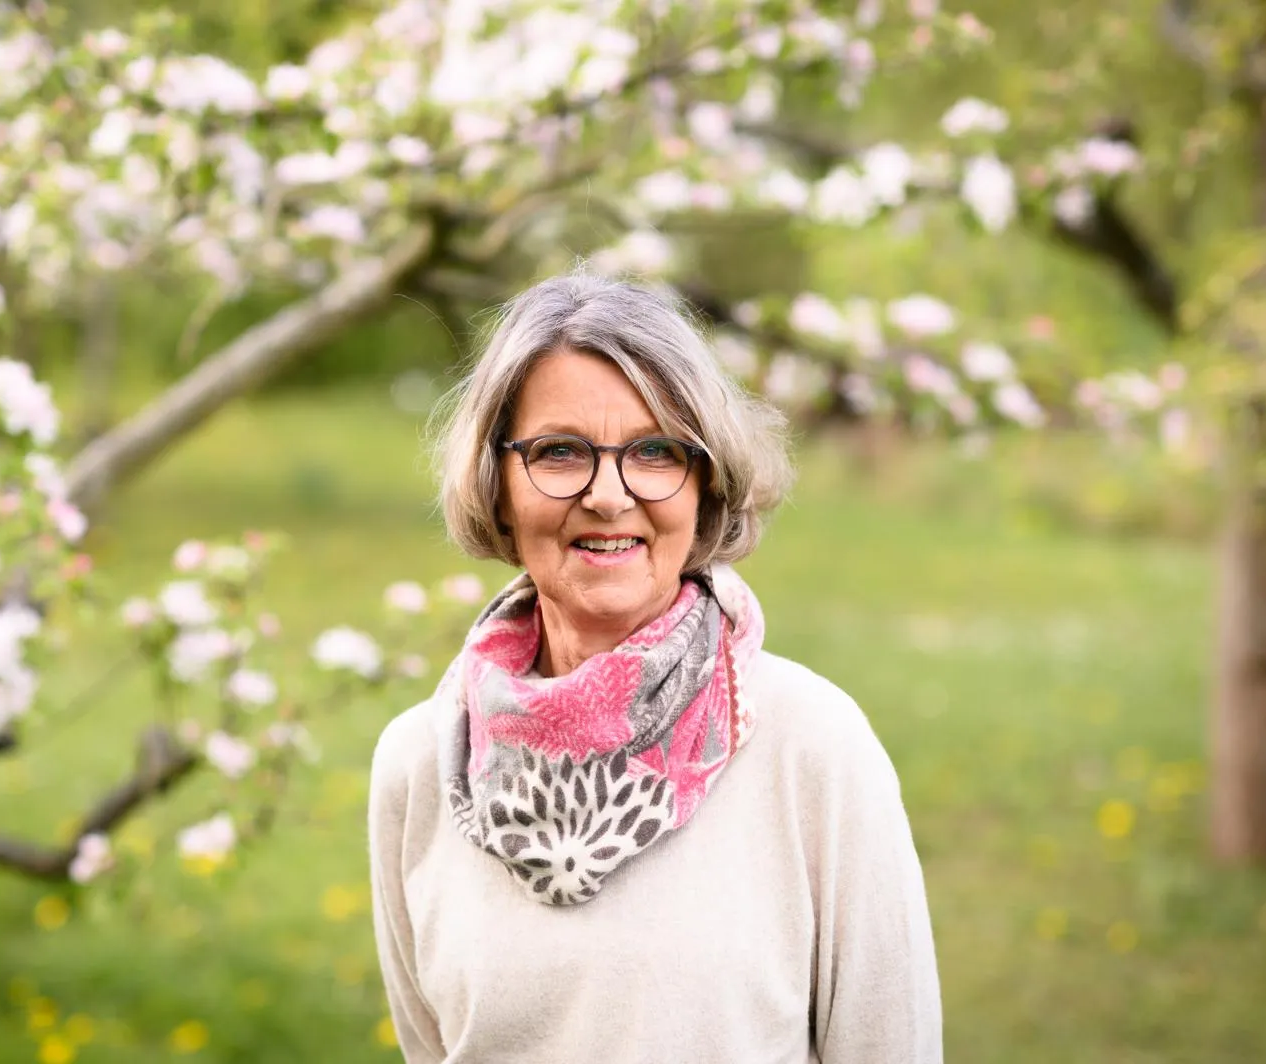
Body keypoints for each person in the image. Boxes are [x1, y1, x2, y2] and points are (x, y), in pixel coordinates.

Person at [367, 272, 942, 1063]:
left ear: (705, 484)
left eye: (654, 452)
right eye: (559, 452)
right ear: (497, 486)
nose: (609, 496)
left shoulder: (811, 745)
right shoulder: (423, 763)